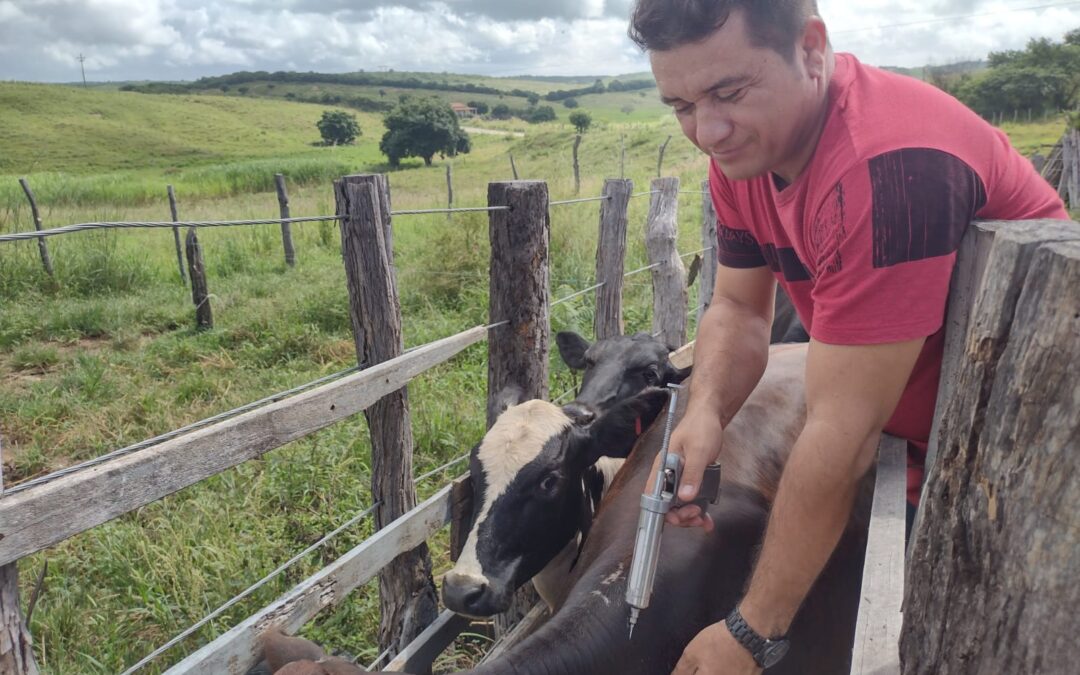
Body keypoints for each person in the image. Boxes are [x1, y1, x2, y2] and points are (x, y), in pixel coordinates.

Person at [627, 1, 1069, 673]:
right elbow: (741, 307)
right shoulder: (744, 152)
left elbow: (843, 429)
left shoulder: (889, 169)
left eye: (728, 91)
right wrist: (706, 413)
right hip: (911, 430)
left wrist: (751, 631)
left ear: (810, 49)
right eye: (681, 106)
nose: (707, 130)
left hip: (1016, 457)